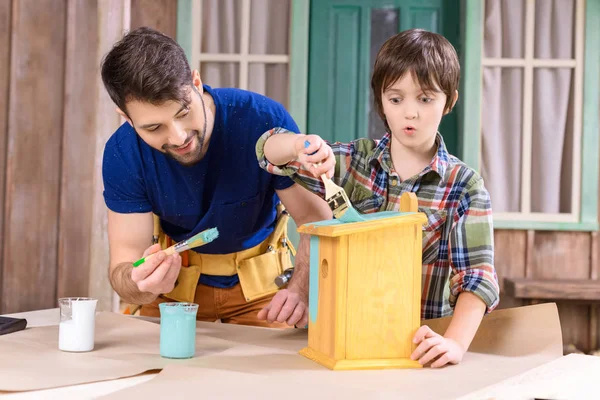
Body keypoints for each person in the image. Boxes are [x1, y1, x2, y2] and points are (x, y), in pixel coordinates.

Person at [255, 29, 500, 366]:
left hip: (417, 350)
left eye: (425, 99)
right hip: (349, 345)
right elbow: (268, 153)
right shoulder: (353, 163)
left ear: (450, 101)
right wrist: (301, 146)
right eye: (396, 99)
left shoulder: (465, 187)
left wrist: (454, 344)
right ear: (380, 100)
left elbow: (477, 278)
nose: (409, 113)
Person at [100, 27, 331, 328]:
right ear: (127, 118)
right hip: (172, 298)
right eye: (154, 128)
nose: (179, 136)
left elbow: (318, 222)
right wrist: (140, 283)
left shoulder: (262, 120)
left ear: (196, 82)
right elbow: (124, 267)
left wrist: (302, 288)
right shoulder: (123, 153)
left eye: (183, 112)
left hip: (267, 296)